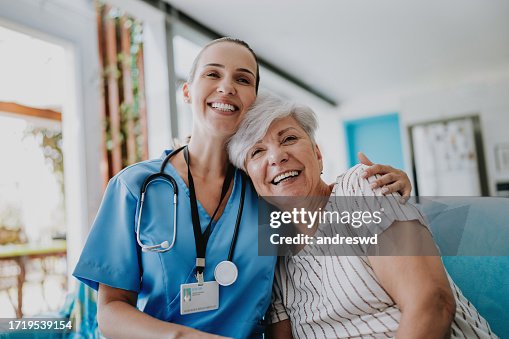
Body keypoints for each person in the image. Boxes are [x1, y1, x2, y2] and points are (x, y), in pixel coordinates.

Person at [73, 38, 413, 338]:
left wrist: (380, 184)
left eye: (242, 79)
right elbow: (111, 312)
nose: (227, 86)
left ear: (252, 100)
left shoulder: (266, 188)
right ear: (188, 91)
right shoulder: (136, 187)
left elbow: (325, 206)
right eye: (212, 74)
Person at [227, 92, 497, 338]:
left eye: (289, 138)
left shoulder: (359, 188)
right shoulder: (273, 256)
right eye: (257, 151)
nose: (276, 156)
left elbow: (431, 303)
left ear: (317, 154)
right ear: (249, 179)